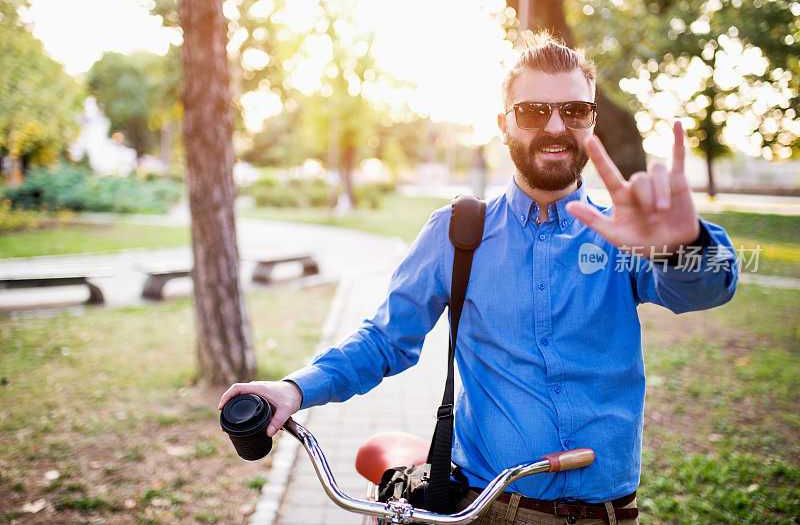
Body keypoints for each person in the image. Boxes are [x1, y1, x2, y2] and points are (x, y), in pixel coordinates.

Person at [219, 31, 738, 524]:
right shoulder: (456, 232)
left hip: (606, 513)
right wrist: (295, 389)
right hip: (486, 506)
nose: (556, 127)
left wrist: (681, 246)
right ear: (504, 123)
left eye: (574, 111)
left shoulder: (624, 235)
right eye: (535, 111)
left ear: (591, 122)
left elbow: (711, 287)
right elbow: (384, 340)